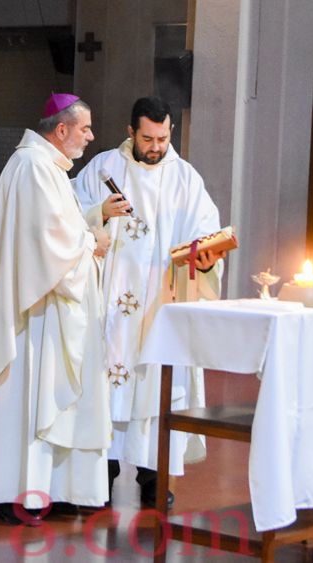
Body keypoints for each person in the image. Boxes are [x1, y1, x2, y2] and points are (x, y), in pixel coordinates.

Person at [0, 93, 111, 524]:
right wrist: (91, 243)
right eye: (84, 128)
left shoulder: (47, 167)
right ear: (61, 129)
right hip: (36, 313)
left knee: (54, 398)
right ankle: (17, 491)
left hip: (55, 307)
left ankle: (55, 487)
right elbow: (47, 244)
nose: (90, 135)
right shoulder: (32, 167)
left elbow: (56, 230)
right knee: (32, 395)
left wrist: (86, 232)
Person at [74, 96, 227, 508]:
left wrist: (207, 258)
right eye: (147, 138)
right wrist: (99, 212)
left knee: (158, 388)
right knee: (106, 386)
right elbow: (67, 214)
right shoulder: (104, 167)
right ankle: (98, 478)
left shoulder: (186, 179)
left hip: (162, 302)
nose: (156, 146)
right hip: (111, 304)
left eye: (162, 138)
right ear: (130, 132)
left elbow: (205, 235)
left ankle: (154, 478)